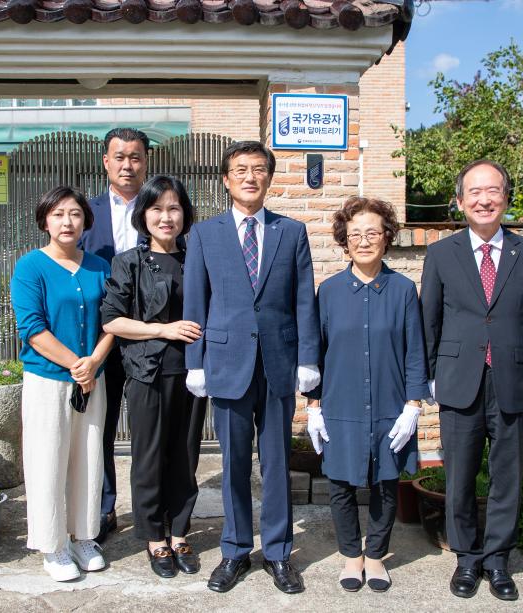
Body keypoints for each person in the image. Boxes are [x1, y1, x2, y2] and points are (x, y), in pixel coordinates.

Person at [183, 140, 321, 595]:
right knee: (234, 462)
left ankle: (278, 553)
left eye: (258, 169)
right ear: (226, 179)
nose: (249, 177)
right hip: (226, 363)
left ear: (269, 177)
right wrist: (195, 362)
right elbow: (196, 304)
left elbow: (304, 299)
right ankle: (236, 549)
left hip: (279, 363)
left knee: (277, 462)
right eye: (240, 169)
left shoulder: (291, 231)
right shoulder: (204, 234)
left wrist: (308, 358)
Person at [420, 159, 523, 601]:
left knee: (507, 475)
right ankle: (466, 558)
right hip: (459, 380)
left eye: (493, 191)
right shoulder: (441, 254)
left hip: (514, 381)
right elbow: (430, 322)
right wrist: (428, 376)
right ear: (460, 201)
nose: (484, 199)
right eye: (474, 192)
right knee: (459, 475)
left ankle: (498, 561)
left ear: (506, 198)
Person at [304, 197, 427, 593]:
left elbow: (415, 353)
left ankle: (375, 556)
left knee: (385, 484)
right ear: (344, 240)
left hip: (391, 407)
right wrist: (313, 406)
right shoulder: (330, 291)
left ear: (387, 237)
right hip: (340, 406)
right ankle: (350, 556)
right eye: (355, 233)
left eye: (373, 232)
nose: (364, 240)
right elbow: (316, 353)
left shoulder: (405, 290)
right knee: (340, 484)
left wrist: (413, 406)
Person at [100, 175, 207, 578]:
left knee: (185, 455)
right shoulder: (128, 262)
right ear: (143, 215)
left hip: (193, 372)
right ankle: (153, 538)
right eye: (157, 209)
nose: (166, 217)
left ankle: (179, 531)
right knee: (148, 457)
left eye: (174, 208)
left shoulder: (196, 258)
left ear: (185, 214)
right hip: (148, 372)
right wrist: (164, 329)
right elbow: (112, 321)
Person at [10, 185, 115, 582]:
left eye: (74, 214)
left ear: (86, 221)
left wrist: (94, 363)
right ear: (45, 221)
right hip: (48, 381)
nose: (67, 221)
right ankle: (53, 545)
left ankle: (84, 536)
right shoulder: (30, 267)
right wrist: (77, 365)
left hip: (92, 379)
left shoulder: (99, 267)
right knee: (48, 460)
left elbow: (113, 321)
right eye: (58, 214)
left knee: (88, 458)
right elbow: (32, 329)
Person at [79, 127, 150, 544]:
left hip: (147, 339)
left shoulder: (159, 209)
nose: (127, 164)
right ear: (106, 162)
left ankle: (148, 512)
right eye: (119, 157)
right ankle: (103, 509)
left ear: (146, 162)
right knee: (98, 429)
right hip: (99, 341)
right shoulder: (84, 213)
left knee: (146, 431)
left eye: (135, 157)